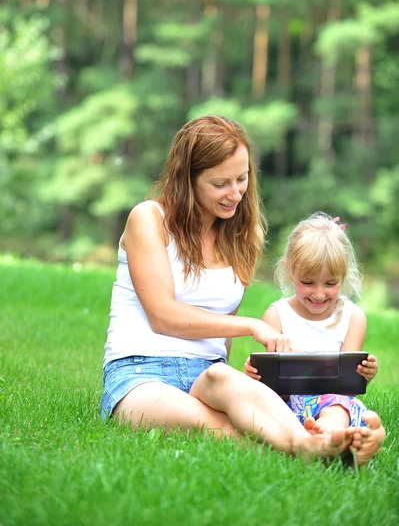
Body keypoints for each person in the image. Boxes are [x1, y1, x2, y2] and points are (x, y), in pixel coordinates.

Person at [100, 115, 363, 460]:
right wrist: (252, 326)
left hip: (210, 374)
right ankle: (309, 449)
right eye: (220, 183)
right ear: (187, 180)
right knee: (218, 429)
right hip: (139, 373)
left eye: (242, 178)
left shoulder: (242, 236)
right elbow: (163, 316)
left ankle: (320, 443)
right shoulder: (149, 219)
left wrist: (245, 385)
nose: (236, 193)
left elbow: (220, 338)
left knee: (228, 385)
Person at [244, 212, 386, 465]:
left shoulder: (353, 317)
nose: (319, 294)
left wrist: (364, 373)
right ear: (290, 271)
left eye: (330, 283)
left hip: (332, 403)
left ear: (344, 276)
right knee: (260, 407)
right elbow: (269, 381)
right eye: (308, 282)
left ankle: (328, 435)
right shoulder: (276, 316)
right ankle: (317, 439)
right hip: (285, 404)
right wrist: (254, 375)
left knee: (336, 407)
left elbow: (346, 385)